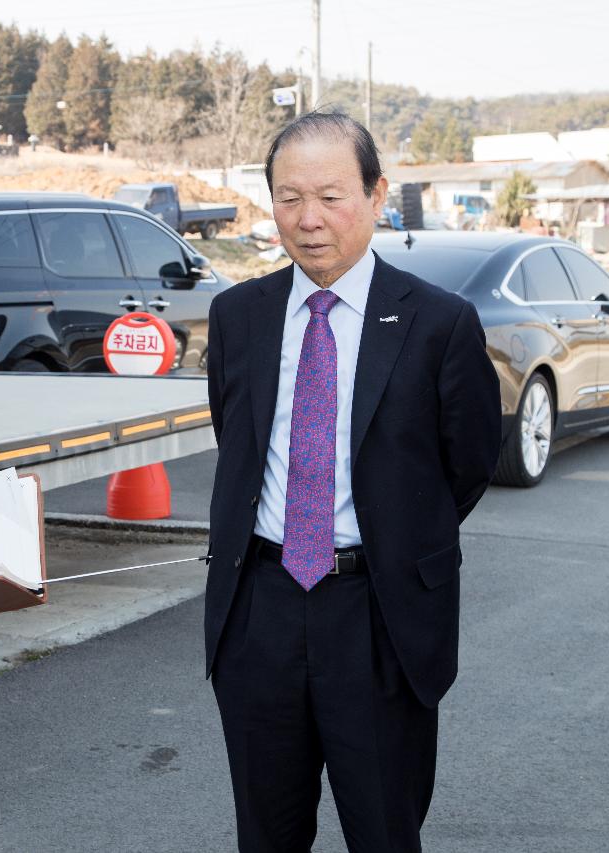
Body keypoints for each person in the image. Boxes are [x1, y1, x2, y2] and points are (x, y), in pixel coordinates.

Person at [204, 112, 501, 852]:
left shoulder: (439, 323)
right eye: (287, 197)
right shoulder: (238, 315)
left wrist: (393, 540)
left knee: (384, 831)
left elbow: (467, 464)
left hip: (380, 616)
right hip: (260, 609)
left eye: (332, 196)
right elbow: (236, 443)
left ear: (377, 195)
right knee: (266, 836)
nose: (308, 220)